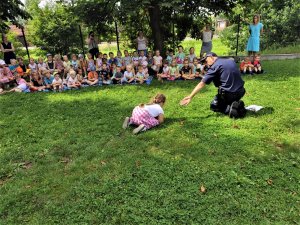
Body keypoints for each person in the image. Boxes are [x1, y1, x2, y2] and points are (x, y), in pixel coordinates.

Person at [180, 52, 247, 118]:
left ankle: (232, 110)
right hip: (241, 91)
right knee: (226, 97)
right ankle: (235, 104)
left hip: (229, 94)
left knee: (214, 105)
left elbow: (201, 83)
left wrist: (190, 96)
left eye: (206, 61)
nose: (206, 64)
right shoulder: (230, 60)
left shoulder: (215, 66)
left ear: (211, 57)